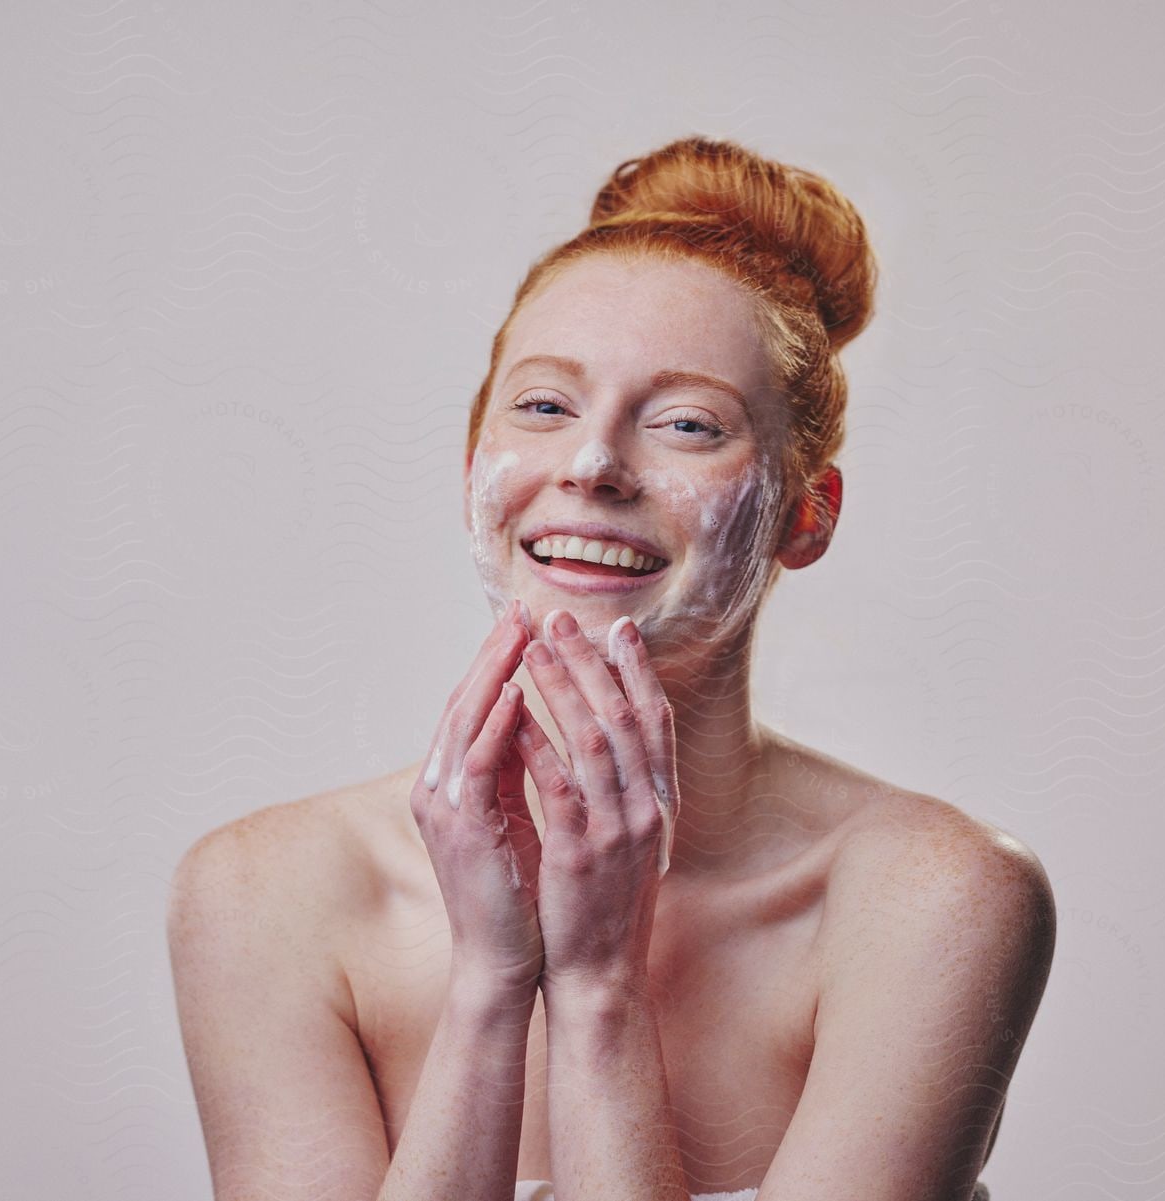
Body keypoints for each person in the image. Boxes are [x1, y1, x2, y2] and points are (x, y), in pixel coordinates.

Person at [168, 135, 1055, 1201]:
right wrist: (493, 987)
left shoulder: (932, 898)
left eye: (687, 423)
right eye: (544, 406)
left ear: (805, 513)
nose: (591, 465)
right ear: (471, 471)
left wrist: (596, 989)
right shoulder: (266, 893)